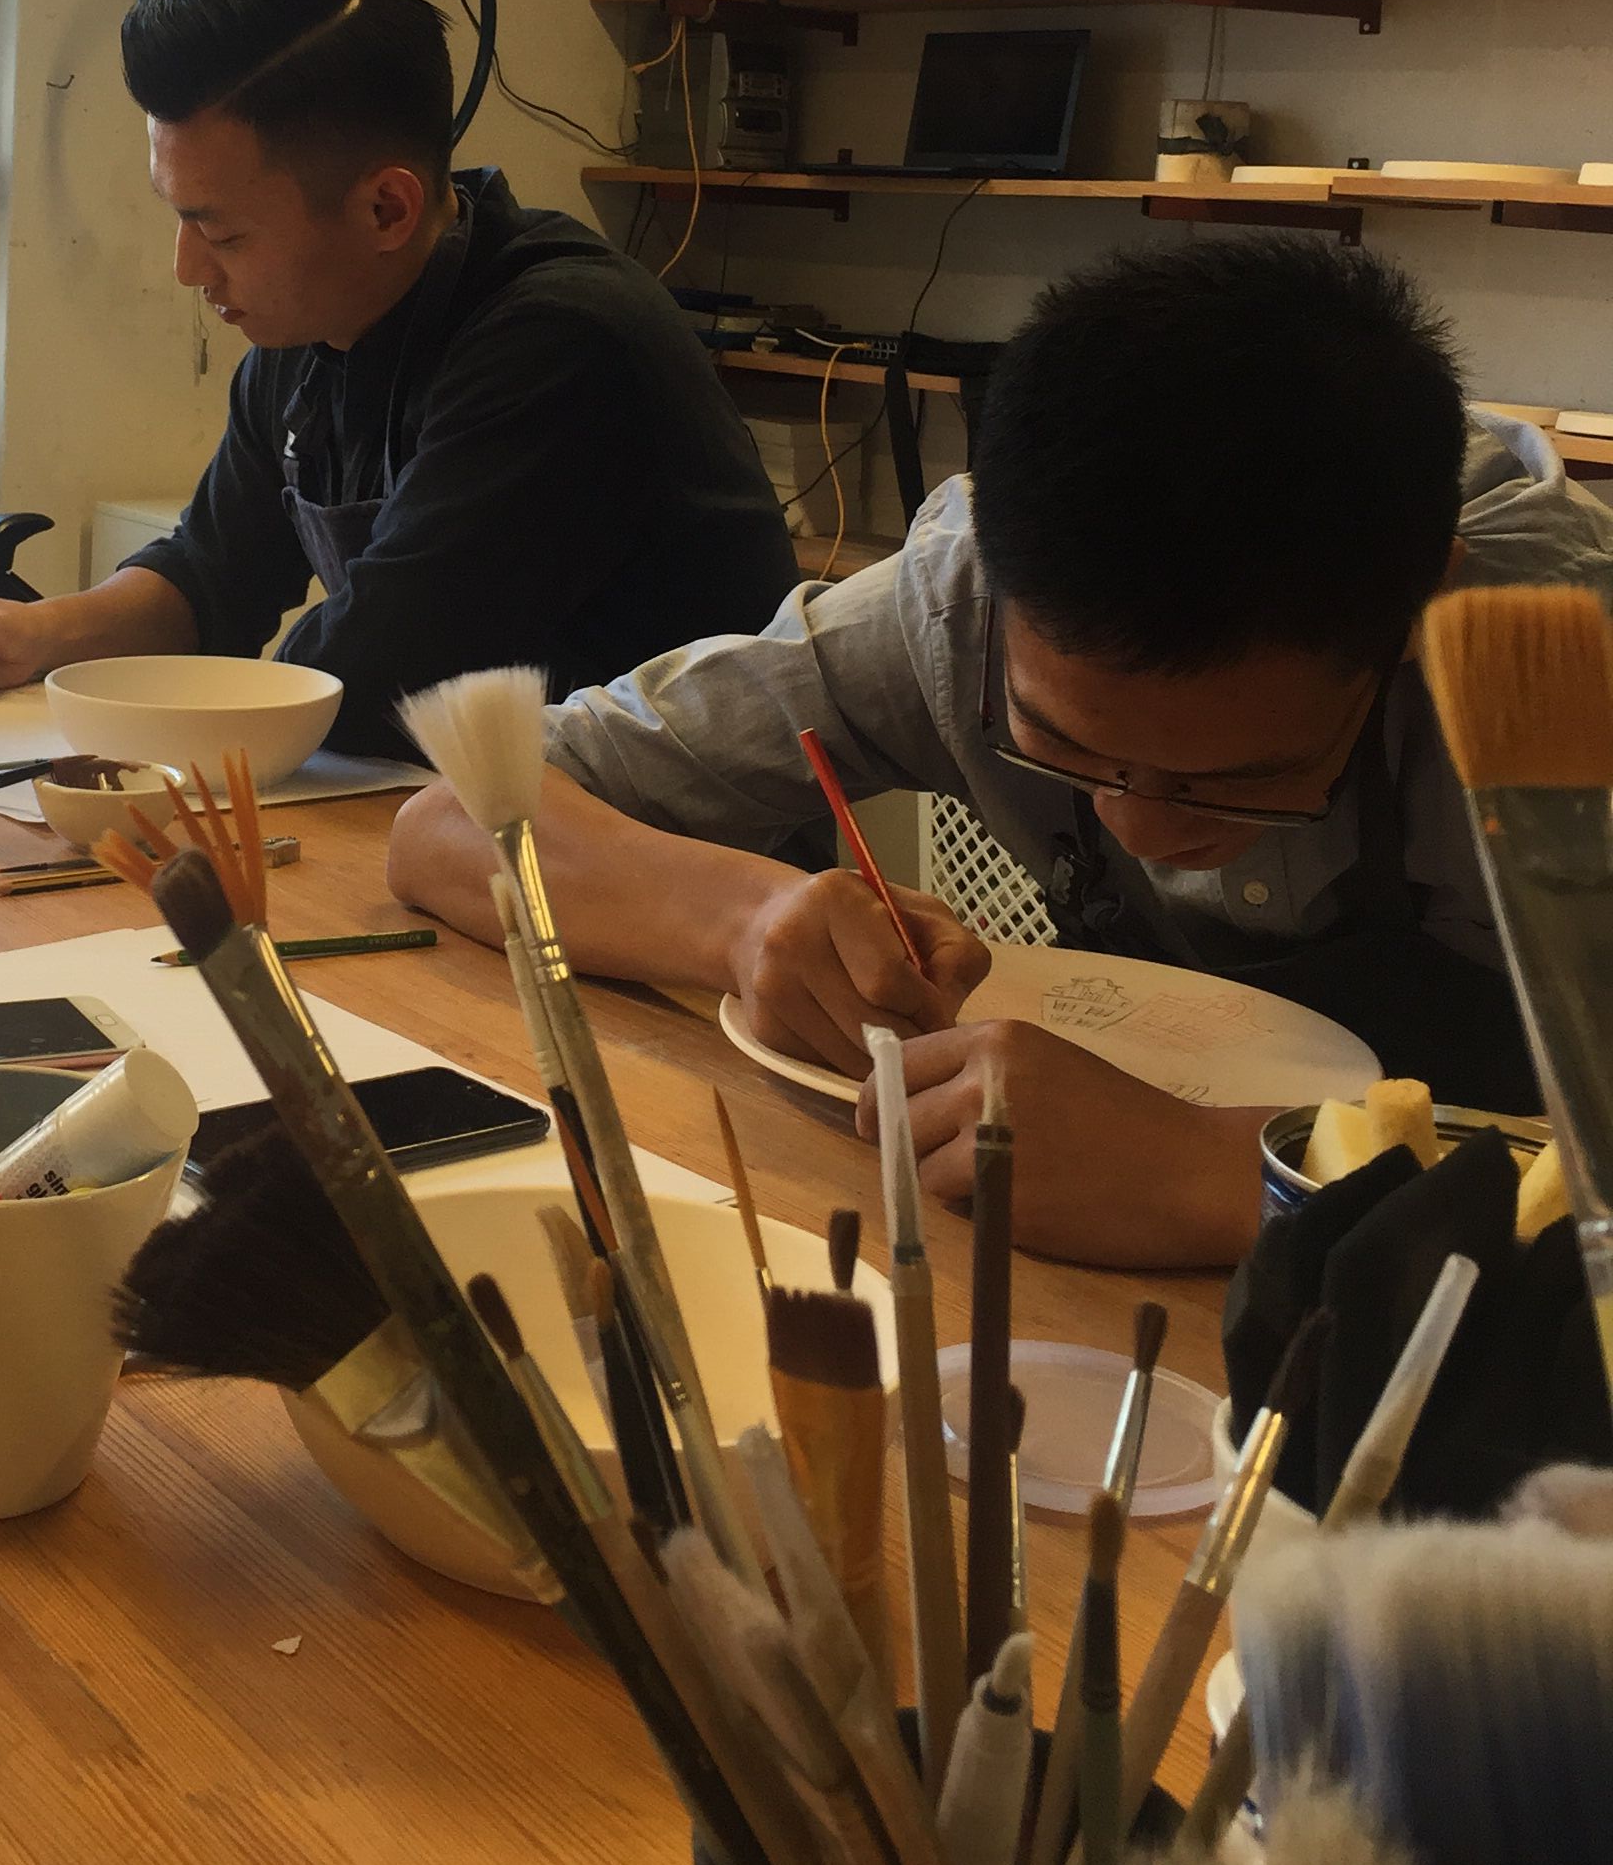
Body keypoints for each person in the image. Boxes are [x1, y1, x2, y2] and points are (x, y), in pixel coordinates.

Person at [389, 236, 1613, 1268]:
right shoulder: (962, 602)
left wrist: (1229, 1180)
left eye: (1243, 780)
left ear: (1419, 606)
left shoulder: (1570, 667)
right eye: (1066, 748)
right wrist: (745, 921)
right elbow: (454, 820)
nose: (1139, 828)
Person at [0, 0, 797, 752]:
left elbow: (371, 677)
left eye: (224, 234)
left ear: (385, 209)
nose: (186, 269)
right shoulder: (310, 329)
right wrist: (40, 635)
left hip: (674, 855)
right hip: (471, 815)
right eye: (180, 218)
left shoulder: (561, 344)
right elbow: (213, 575)